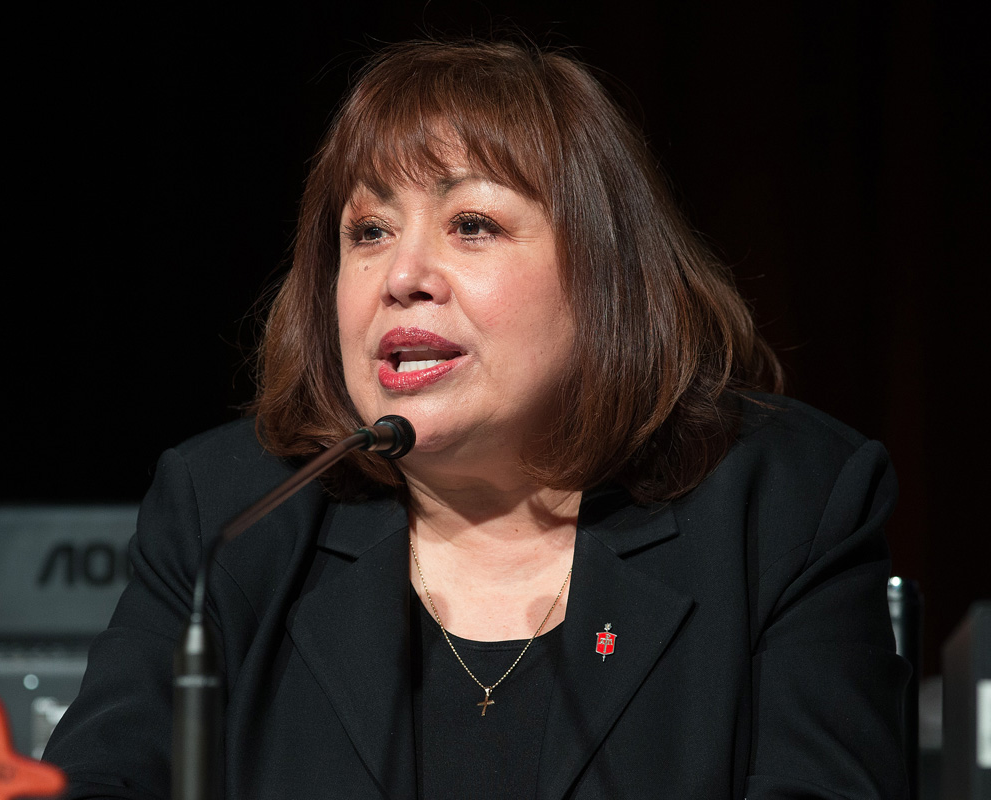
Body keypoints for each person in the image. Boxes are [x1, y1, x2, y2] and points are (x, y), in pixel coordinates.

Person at [44, 39, 909, 799]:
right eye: (370, 231)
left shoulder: (781, 506)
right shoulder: (232, 517)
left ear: (606, 279)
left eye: (472, 224)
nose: (404, 275)